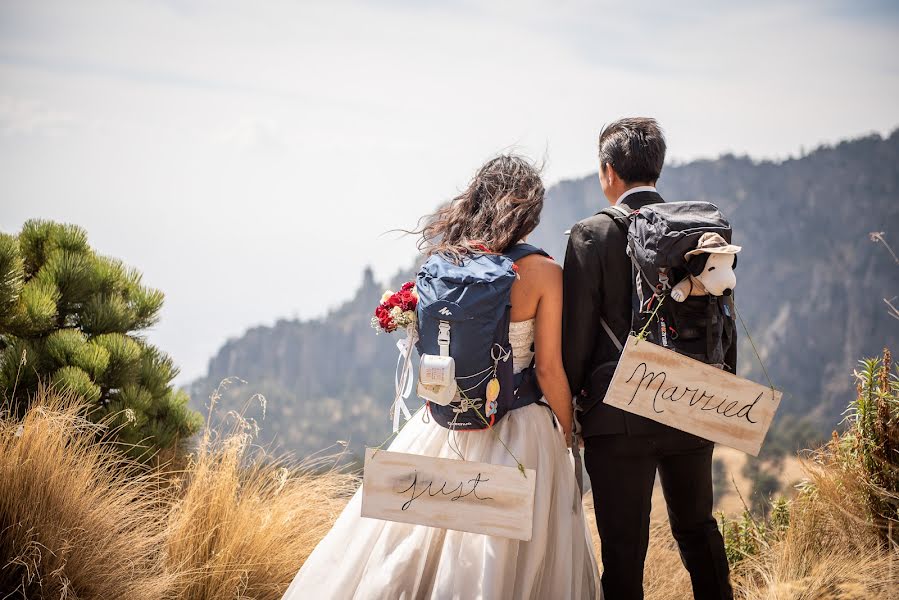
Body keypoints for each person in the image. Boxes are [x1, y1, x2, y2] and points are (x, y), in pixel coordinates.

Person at [283, 155, 599, 600]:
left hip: (446, 420)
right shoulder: (544, 273)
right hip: (521, 426)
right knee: (504, 553)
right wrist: (569, 430)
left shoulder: (445, 263)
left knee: (416, 540)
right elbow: (547, 369)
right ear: (530, 212)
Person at [562, 118, 734, 600]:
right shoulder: (698, 233)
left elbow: (576, 336)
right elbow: (724, 317)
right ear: (657, 169)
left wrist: (572, 406)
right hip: (692, 402)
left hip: (616, 417)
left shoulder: (590, 235)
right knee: (698, 529)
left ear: (607, 171)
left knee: (623, 550)